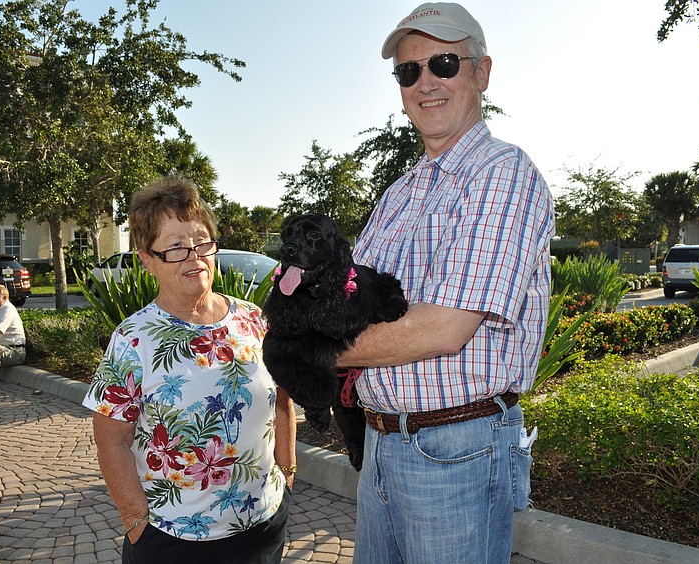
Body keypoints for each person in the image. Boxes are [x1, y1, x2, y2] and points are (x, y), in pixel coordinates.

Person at [336, 4, 556, 563]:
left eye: (444, 62)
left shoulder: (504, 173)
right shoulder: (398, 193)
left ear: (481, 73)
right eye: (409, 71)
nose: (425, 82)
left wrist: (307, 348)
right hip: (381, 444)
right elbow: (349, 303)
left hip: (455, 452)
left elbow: (445, 327)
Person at [82, 176, 296, 564]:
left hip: (262, 526)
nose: (194, 256)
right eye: (176, 247)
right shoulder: (134, 338)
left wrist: (288, 469)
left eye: (201, 241)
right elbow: (111, 440)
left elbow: (281, 396)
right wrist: (135, 521)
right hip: (173, 540)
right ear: (147, 259)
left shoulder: (253, 320)